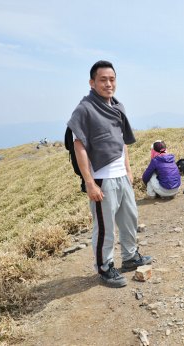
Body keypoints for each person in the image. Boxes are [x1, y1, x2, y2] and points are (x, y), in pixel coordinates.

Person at [67, 60, 152, 288]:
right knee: (105, 228)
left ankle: (130, 256)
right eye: (103, 79)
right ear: (92, 82)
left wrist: (128, 168)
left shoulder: (116, 106)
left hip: (121, 176)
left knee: (129, 218)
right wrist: (90, 183)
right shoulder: (85, 109)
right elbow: (79, 146)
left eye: (112, 79)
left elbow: (122, 140)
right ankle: (104, 267)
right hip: (102, 179)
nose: (108, 84)